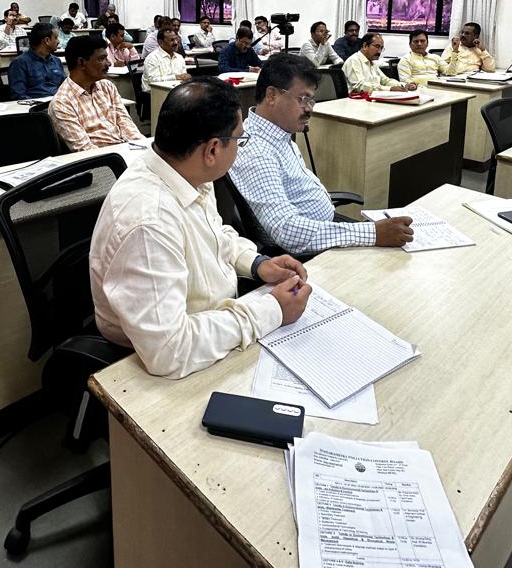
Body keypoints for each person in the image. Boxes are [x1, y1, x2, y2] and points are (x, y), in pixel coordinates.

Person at [89, 79, 311, 378]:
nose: (240, 148)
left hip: (215, 320)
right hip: (166, 356)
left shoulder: (184, 171)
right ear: (212, 150)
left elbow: (216, 234)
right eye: (239, 140)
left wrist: (258, 264)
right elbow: (169, 350)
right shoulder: (148, 220)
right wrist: (272, 311)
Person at [231, 54, 415, 255]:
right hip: (305, 253)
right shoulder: (257, 152)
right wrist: (371, 233)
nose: (309, 109)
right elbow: (286, 230)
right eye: (303, 99)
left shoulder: (278, 133)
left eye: (312, 100)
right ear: (272, 95)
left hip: (323, 231)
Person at [49, 35, 144, 151]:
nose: (109, 63)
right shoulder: (62, 103)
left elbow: (126, 124)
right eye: (102, 59)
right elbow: (85, 150)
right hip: (103, 163)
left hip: (126, 151)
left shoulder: (107, 87)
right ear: (82, 62)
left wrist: (142, 149)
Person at [342, 32, 417, 93]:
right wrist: (389, 89)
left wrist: (404, 85)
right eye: (377, 47)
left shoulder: (372, 63)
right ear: (365, 46)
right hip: (356, 101)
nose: (379, 51)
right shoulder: (354, 60)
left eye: (381, 48)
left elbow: (385, 81)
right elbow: (359, 86)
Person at [8, 22, 65, 99]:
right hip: (36, 107)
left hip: (58, 104)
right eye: (55, 38)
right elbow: (19, 95)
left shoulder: (56, 61)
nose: (58, 41)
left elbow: (65, 88)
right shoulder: (20, 63)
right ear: (47, 40)